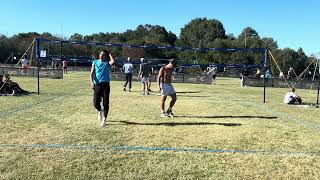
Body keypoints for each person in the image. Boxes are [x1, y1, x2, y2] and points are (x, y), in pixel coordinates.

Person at [90, 49, 115, 127]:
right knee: (95, 102)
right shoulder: (95, 62)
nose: (101, 55)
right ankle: (100, 111)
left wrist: (110, 54)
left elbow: (113, 61)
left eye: (103, 54)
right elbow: (92, 72)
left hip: (105, 85)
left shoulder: (107, 63)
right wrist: (91, 82)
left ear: (105, 56)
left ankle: (104, 118)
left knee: (105, 102)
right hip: (97, 84)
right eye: (100, 54)